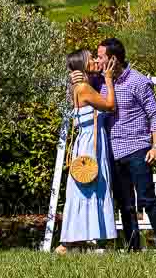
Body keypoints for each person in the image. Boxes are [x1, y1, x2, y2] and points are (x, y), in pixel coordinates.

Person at [74, 37, 156, 251]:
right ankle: (133, 248)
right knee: (126, 205)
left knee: (147, 200)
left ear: (113, 59)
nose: (97, 61)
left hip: (138, 150)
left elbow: (155, 115)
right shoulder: (98, 81)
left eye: (100, 57)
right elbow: (77, 92)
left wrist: (155, 147)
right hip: (112, 153)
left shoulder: (138, 81)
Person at [56, 48, 118, 254]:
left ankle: (78, 240)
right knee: (91, 185)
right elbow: (110, 105)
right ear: (82, 64)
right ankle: (72, 242)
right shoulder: (83, 88)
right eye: (90, 58)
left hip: (88, 141)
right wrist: (108, 78)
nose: (94, 60)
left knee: (86, 189)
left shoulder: (79, 85)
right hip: (91, 143)